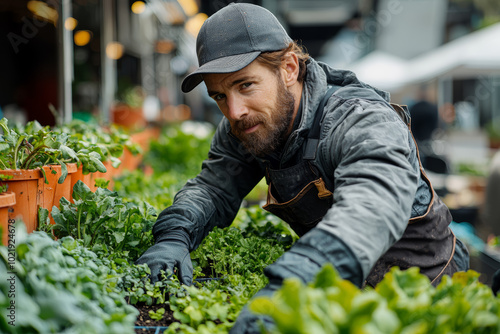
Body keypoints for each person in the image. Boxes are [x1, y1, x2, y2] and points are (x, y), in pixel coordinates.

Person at [136, 3, 469, 333]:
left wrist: (299, 273)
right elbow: (213, 186)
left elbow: (371, 209)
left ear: (289, 68)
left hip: (424, 295)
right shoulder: (249, 122)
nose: (234, 110)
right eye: (219, 96)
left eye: (245, 85)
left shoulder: (360, 120)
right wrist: (175, 234)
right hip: (342, 294)